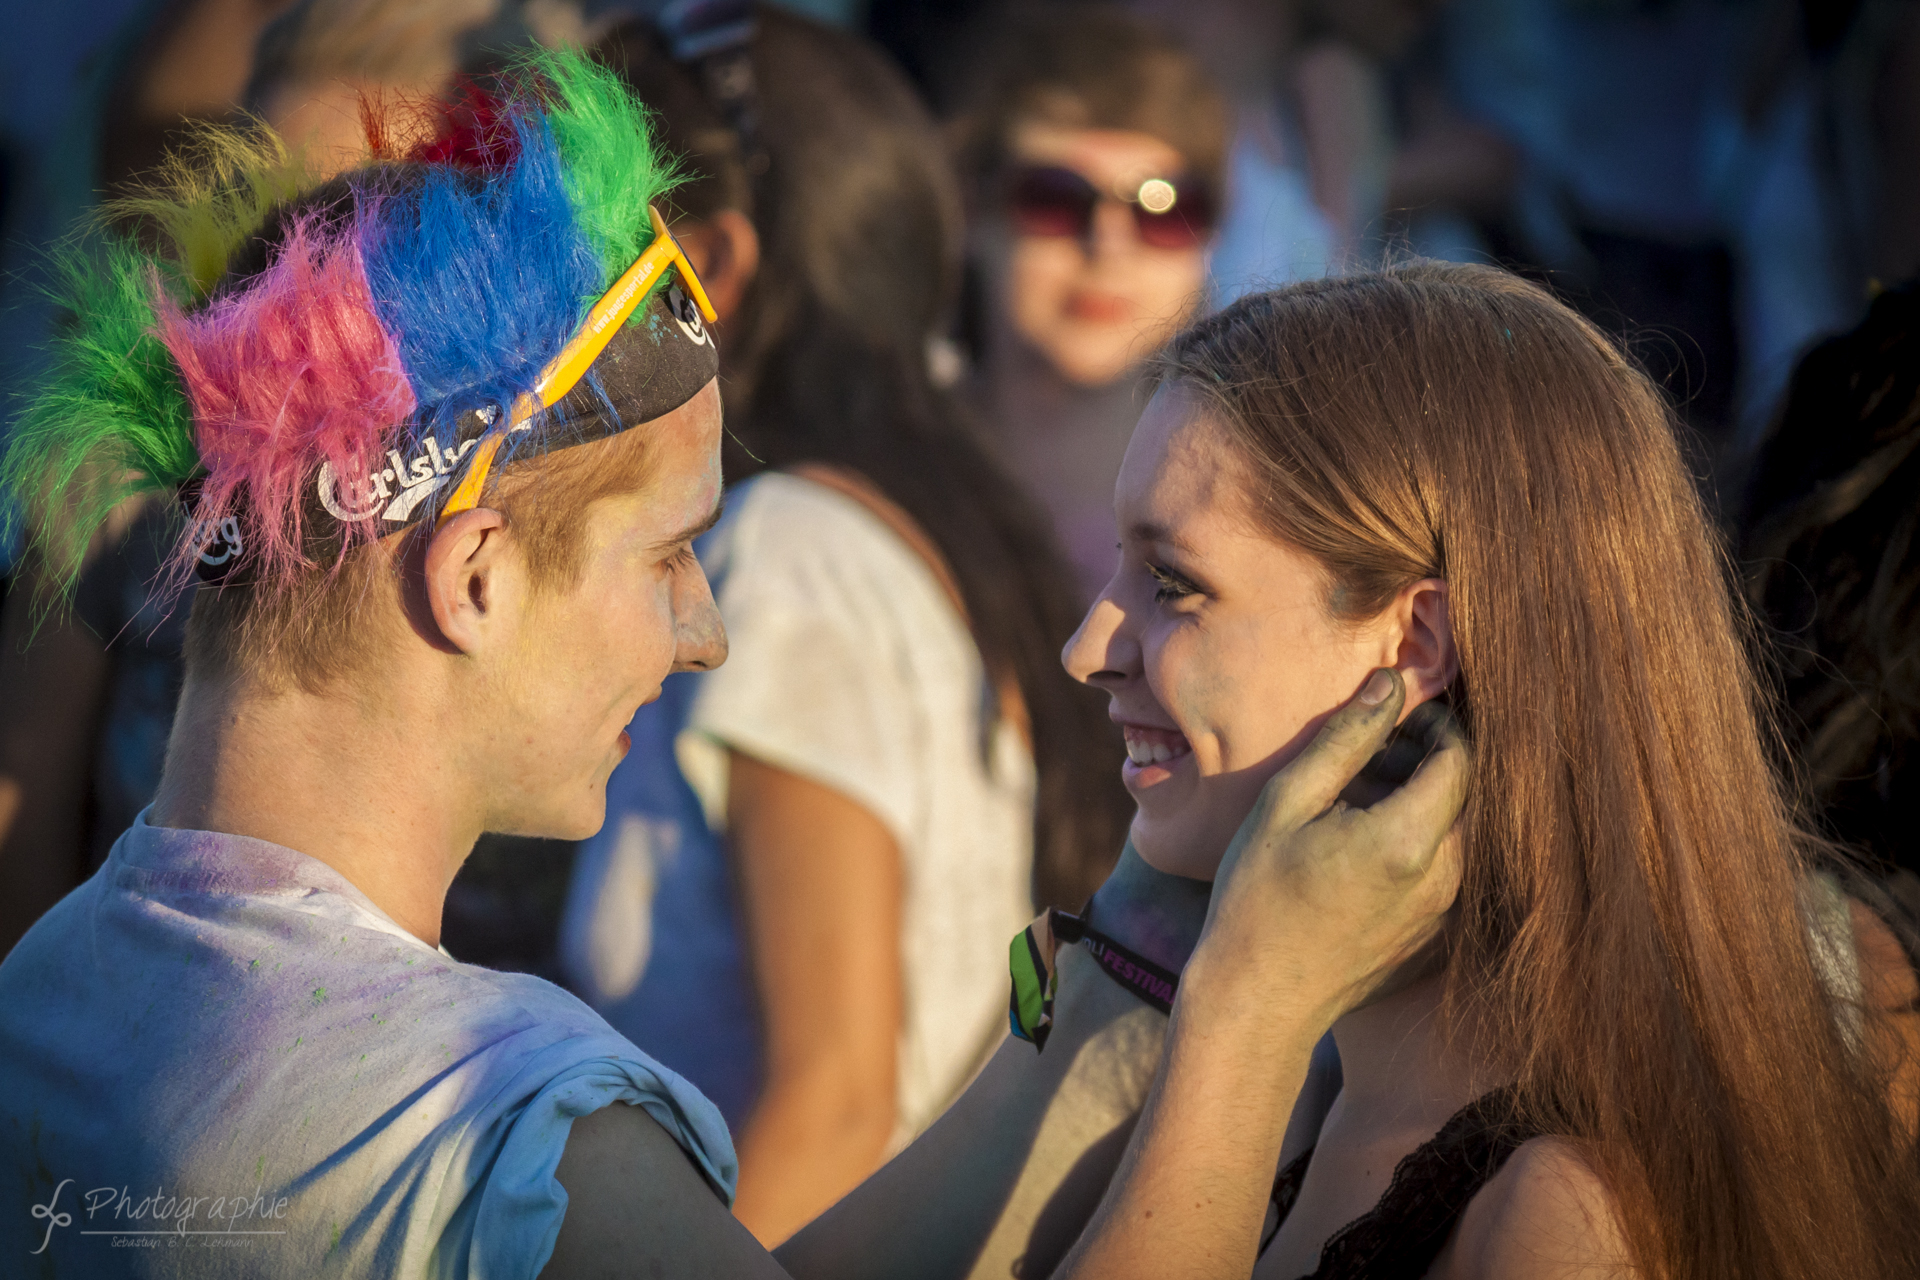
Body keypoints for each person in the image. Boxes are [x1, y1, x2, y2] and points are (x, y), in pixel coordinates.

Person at [0, 50, 1473, 1276]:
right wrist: (1252, 1024)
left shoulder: (49, 988)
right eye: (666, 556)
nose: (703, 630)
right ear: (475, 577)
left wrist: (1128, 974)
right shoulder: (513, 1135)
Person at [1045, 262, 1920, 1277]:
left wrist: (1239, 1020)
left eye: (1171, 582)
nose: (1088, 644)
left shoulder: (1562, 1219)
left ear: (1417, 645)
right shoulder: (1333, 1071)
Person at [558, 9, 1129, 1245]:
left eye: (579, 239)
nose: (547, 299)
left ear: (705, 265)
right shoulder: (923, 510)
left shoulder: (792, 552)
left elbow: (835, 1101)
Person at [949, 6, 1227, 599]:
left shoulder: (1270, 503)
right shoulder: (886, 467)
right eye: (1055, 199)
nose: (1108, 246)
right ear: (972, 213)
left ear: (1211, 234)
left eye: (1163, 209)